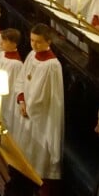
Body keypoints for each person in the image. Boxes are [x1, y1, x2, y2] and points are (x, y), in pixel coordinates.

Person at [15, 24, 64, 185]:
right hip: (26, 109)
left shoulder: (52, 65)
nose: (34, 45)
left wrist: (28, 106)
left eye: (38, 42)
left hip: (41, 116)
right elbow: (22, 77)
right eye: (31, 40)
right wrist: (21, 99)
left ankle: (35, 182)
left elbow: (42, 96)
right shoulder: (32, 55)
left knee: (36, 154)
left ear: (48, 41)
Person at [0, 28, 23, 141]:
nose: (1, 43)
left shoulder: (17, 65)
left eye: (4, 41)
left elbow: (12, 86)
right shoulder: (1, 55)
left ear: (13, 43)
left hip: (5, 101)